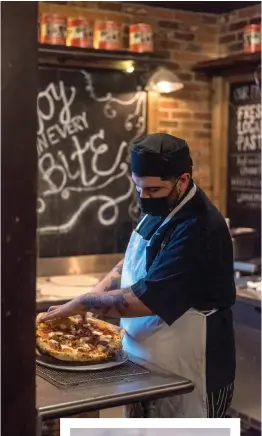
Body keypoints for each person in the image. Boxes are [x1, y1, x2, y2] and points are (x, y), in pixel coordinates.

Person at [40, 133, 236, 418]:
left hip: (191, 363)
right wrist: (94, 295)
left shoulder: (199, 228)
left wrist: (83, 302)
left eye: (153, 190)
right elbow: (130, 263)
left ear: (181, 181)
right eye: (138, 188)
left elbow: (147, 300)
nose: (144, 197)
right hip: (143, 357)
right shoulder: (161, 205)